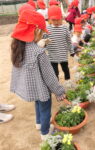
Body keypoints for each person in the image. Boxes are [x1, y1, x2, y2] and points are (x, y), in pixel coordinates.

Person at [10, 9, 65, 140]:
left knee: (37, 104)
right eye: (42, 32)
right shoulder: (38, 52)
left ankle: (39, 124)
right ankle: (45, 133)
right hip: (42, 89)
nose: (42, 36)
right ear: (35, 31)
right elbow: (49, 77)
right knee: (45, 109)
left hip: (32, 88)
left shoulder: (18, 47)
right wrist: (59, 91)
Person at [46, 5, 74, 80]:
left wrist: (71, 51)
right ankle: (56, 85)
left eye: (58, 19)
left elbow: (69, 41)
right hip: (52, 55)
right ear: (49, 19)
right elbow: (43, 41)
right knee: (55, 72)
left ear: (61, 17)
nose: (56, 22)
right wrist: (44, 43)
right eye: (53, 20)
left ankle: (68, 82)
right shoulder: (47, 29)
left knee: (66, 69)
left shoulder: (65, 28)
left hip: (63, 54)